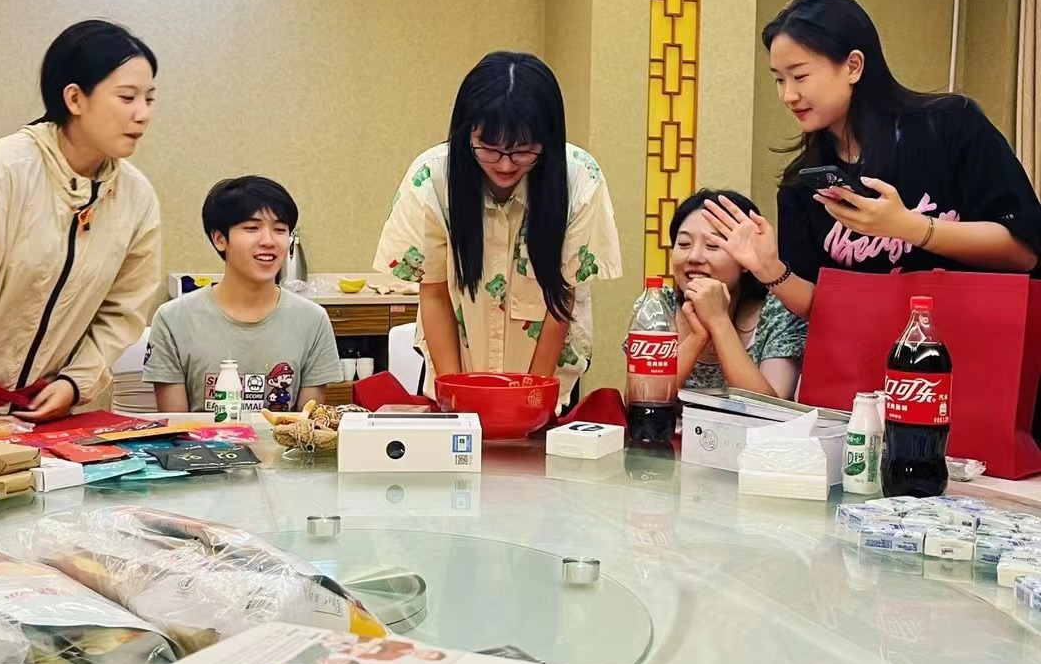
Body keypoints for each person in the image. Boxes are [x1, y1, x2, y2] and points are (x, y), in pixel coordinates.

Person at [706, 0, 1041, 319]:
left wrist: (911, 227)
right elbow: (820, 310)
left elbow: (1025, 251)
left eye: (800, 76)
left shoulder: (951, 125)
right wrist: (770, 270)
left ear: (853, 66)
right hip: (867, 351)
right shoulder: (802, 184)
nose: (788, 95)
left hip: (974, 338)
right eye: (779, 80)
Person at [375, 52, 621, 409]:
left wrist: (532, 399)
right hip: (454, 372)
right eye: (489, 149)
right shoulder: (432, 178)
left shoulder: (579, 178)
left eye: (522, 151)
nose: (505, 165)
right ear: (467, 134)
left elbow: (562, 296)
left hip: (547, 380)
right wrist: (455, 397)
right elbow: (435, 293)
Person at [0, 20, 161, 424]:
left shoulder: (136, 197)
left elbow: (124, 310)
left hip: (51, 418)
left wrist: (75, 382)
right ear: (74, 98)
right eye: (127, 97)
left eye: (149, 98)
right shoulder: (1, 171)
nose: (143, 114)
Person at [144, 177, 341, 413]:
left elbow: (306, 427)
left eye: (280, 230)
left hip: (281, 439)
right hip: (199, 439)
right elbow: (175, 427)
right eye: (252, 228)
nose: (268, 241)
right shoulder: (173, 320)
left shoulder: (313, 321)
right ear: (220, 239)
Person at [663, 189, 807, 400]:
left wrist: (718, 321)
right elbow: (642, 400)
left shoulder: (779, 311)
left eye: (713, 245)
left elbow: (770, 409)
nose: (694, 257)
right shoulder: (659, 306)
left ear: (747, 260)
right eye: (684, 244)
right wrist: (697, 338)